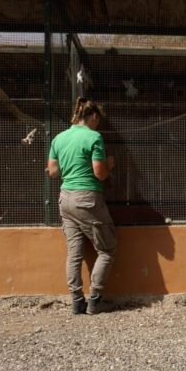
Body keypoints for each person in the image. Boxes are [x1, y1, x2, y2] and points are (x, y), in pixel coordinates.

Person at [47, 97, 116, 315]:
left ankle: (77, 300)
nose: (98, 124)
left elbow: (53, 172)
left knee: (74, 253)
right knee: (107, 249)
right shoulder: (94, 136)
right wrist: (110, 164)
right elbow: (100, 173)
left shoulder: (59, 138)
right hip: (87, 198)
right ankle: (95, 300)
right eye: (98, 120)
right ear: (93, 116)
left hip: (65, 199)